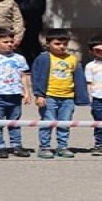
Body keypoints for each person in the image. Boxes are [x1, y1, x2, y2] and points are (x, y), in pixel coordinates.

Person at [31, 29, 88, 159]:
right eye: (57, 43)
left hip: (67, 98)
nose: (61, 46)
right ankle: (44, 147)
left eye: (64, 44)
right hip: (49, 96)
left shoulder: (72, 59)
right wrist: (39, 95)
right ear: (48, 43)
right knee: (48, 122)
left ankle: (62, 147)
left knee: (65, 123)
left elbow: (78, 78)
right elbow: (37, 77)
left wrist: (80, 97)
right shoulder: (44, 58)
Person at [0, 27, 33, 159]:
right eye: (5, 42)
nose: (10, 44)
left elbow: (23, 76)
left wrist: (27, 93)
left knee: (14, 122)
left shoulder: (19, 58)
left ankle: (16, 145)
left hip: (14, 95)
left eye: (11, 41)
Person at [11, 0, 47, 65]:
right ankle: (28, 64)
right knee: (23, 46)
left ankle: (38, 63)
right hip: (20, 26)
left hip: (33, 25)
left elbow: (38, 10)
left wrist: (26, 18)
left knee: (34, 45)